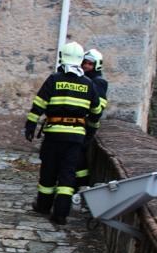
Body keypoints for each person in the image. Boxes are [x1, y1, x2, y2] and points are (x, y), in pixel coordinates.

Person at [24, 41, 103, 225]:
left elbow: (39, 104)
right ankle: (61, 214)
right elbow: (96, 112)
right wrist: (90, 132)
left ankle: (43, 206)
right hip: (75, 137)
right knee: (68, 173)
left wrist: (30, 125)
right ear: (80, 60)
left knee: (49, 170)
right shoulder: (88, 84)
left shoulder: (54, 79)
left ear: (62, 57)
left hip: (54, 135)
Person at [75, 48, 108, 189]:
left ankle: (81, 185)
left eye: (90, 64)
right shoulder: (84, 79)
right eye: (85, 63)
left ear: (96, 66)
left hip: (88, 125)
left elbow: (99, 106)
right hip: (81, 124)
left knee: (79, 156)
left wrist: (89, 121)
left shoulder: (98, 82)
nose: (86, 66)